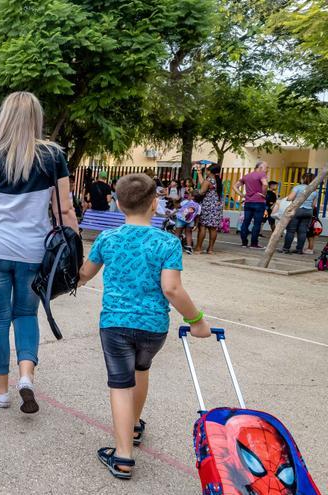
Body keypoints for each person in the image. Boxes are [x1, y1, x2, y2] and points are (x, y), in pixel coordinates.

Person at [78, 173, 211, 480]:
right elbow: (172, 289)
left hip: (115, 324)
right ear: (154, 203)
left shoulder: (107, 239)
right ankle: (134, 425)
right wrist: (197, 321)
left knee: (120, 384)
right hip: (153, 327)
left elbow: (84, 274)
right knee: (141, 371)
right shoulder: (167, 242)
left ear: (118, 203)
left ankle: (123, 455)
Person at [0, 91, 79, 414]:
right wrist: (76, 252)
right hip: (33, 252)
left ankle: (0, 389)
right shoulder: (54, 157)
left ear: (4, 119)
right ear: (36, 119)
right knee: (26, 314)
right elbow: (64, 209)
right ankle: (26, 377)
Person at [232, 161, 268, 248]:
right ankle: (254, 243)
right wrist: (263, 194)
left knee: (245, 222)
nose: (267, 170)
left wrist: (241, 195)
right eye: (266, 168)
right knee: (257, 223)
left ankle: (244, 242)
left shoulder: (246, 176)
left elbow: (234, 186)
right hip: (259, 202)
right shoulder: (261, 174)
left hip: (248, 202)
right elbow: (265, 184)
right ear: (260, 168)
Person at [282, 172, 320, 254]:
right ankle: (299, 250)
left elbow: (290, 198)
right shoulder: (314, 191)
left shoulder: (298, 187)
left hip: (297, 210)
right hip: (308, 212)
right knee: (303, 231)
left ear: (303, 179)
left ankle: (286, 249)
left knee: (291, 230)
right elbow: (314, 205)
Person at [194, 163, 223, 254]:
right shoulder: (217, 180)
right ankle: (210, 249)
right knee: (213, 228)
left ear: (209, 171)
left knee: (202, 227)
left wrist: (193, 191)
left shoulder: (208, 180)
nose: (205, 171)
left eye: (206, 170)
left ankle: (198, 248)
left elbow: (202, 191)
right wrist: (199, 174)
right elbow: (203, 183)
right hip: (216, 206)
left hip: (207, 205)